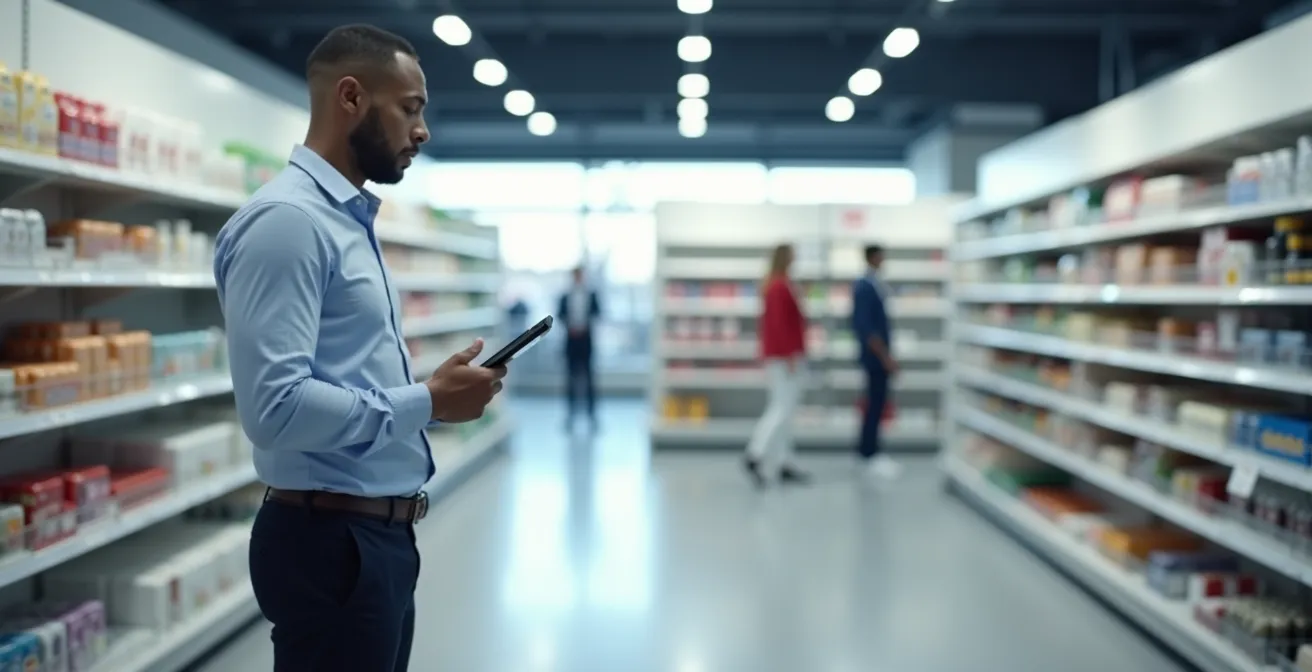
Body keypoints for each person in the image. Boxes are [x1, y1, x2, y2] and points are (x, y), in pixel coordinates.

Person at [212, 25, 507, 671]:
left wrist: (428, 393)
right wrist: (425, 402)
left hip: (368, 536)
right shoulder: (290, 223)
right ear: (350, 97)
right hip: (330, 542)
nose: (422, 130)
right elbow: (276, 408)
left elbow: (342, 371)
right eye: (411, 106)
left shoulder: (344, 220)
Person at [743, 243, 811, 487]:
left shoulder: (775, 284)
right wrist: (791, 354)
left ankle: (785, 461)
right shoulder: (780, 287)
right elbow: (781, 325)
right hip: (785, 357)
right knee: (781, 409)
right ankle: (756, 453)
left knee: (786, 410)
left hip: (781, 355)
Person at [852, 244, 901, 479]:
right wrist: (885, 356)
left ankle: (867, 449)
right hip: (875, 357)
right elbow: (866, 327)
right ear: (873, 257)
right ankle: (869, 452)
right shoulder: (864, 286)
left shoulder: (873, 284)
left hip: (877, 355)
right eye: (882, 255)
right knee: (875, 403)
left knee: (875, 402)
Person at [558, 266, 601, 431]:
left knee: (589, 380)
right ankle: (570, 415)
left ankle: (591, 415)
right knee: (570, 379)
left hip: (586, 341)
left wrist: (585, 325)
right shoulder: (565, 296)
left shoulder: (592, 294)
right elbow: (559, 315)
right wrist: (570, 326)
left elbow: (598, 313)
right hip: (571, 341)